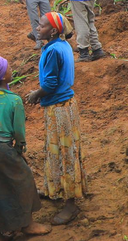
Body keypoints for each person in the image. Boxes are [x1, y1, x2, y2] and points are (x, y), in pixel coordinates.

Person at [0, 57, 50, 241]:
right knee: (24, 179)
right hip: (1, 148)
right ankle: (27, 224)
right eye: (8, 69)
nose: (11, 70)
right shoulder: (13, 100)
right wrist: (19, 149)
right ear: (3, 76)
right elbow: (19, 132)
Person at [26, 13, 88, 225]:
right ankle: (55, 189)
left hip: (59, 108)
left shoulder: (53, 50)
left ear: (53, 31)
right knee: (61, 150)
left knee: (64, 153)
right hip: (65, 105)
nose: (37, 28)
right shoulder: (61, 45)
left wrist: (36, 94)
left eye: (42, 26)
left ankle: (71, 204)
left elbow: (50, 84)